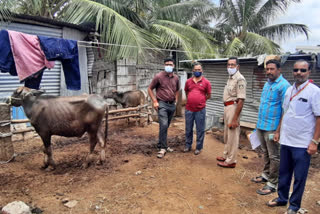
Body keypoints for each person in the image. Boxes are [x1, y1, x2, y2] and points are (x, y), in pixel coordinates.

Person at [266, 60, 320, 214]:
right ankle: (282, 198)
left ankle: (294, 206)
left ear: (309, 72)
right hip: (287, 140)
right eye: (296, 70)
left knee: (300, 177)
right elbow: (285, 112)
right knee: (284, 173)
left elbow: (319, 118)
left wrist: (315, 142)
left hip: (303, 143)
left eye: (302, 70)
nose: (298, 73)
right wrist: (278, 132)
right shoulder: (289, 90)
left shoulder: (314, 91)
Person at [251, 60, 290, 195]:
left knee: (275, 156)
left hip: (273, 127)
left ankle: (273, 183)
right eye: (267, 69)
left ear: (279, 70)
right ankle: (266, 175)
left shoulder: (284, 86)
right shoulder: (267, 84)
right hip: (262, 124)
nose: (269, 72)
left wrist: (279, 130)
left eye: (272, 69)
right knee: (266, 152)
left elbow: (286, 110)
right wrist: (257, 125)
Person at [216, 57, 246, 168]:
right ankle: (226, 155)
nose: (230, 67)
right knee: (227, 135)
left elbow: (241, 100)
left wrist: (234, 119)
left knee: (233, 135)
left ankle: (231, 161)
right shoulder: (230, 78)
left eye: (232, 65)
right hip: (227, 107)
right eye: (228, 65)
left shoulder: (240, 79)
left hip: (234, 108)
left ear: (237, 66)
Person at [148, 58, 180, 159]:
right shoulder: (159, 76)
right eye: (166, 64)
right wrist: (155, 101)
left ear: (173, 66)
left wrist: (176, 100)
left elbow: (177, 90)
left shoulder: (176, 78)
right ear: (164, 65)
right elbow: (150, 89)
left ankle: (162, 144)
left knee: (165, 126)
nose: (168, 66)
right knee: (164, 124)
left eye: (170, 64)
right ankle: (162, 148)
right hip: (162, 104)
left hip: (171, 105)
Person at [183, 62, 211, 155]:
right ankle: (188, 145)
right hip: (189, 109)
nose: (197, 71)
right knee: (188, 128)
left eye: (199, 70)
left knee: (200, 129)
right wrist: (191, 100)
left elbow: (208, 95)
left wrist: (201, 100)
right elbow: (186, 92)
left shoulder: (206, 82)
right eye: (196, 70)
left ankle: (198, 147)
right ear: (193, 71)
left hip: (200, 110)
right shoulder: (188, 82)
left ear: (202, 71)